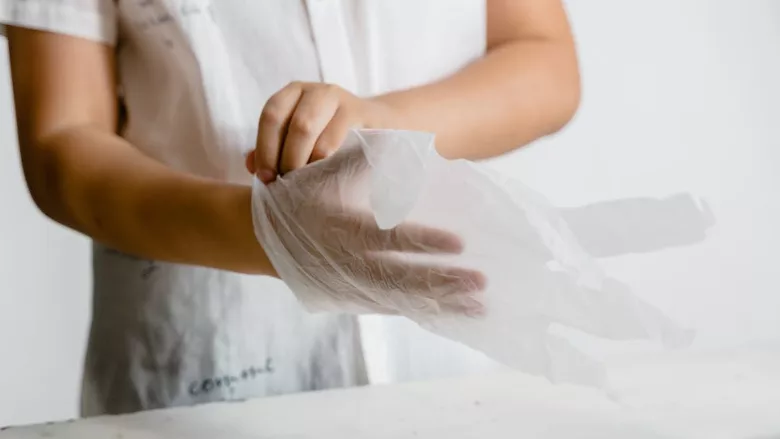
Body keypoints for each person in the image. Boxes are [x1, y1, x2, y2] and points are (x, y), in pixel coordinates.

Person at [0, 0, 580, 416]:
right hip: (203, 377)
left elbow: (543, 56)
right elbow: (62, 140)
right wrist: (271, 236)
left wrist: (382, 129)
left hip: (456, 358)